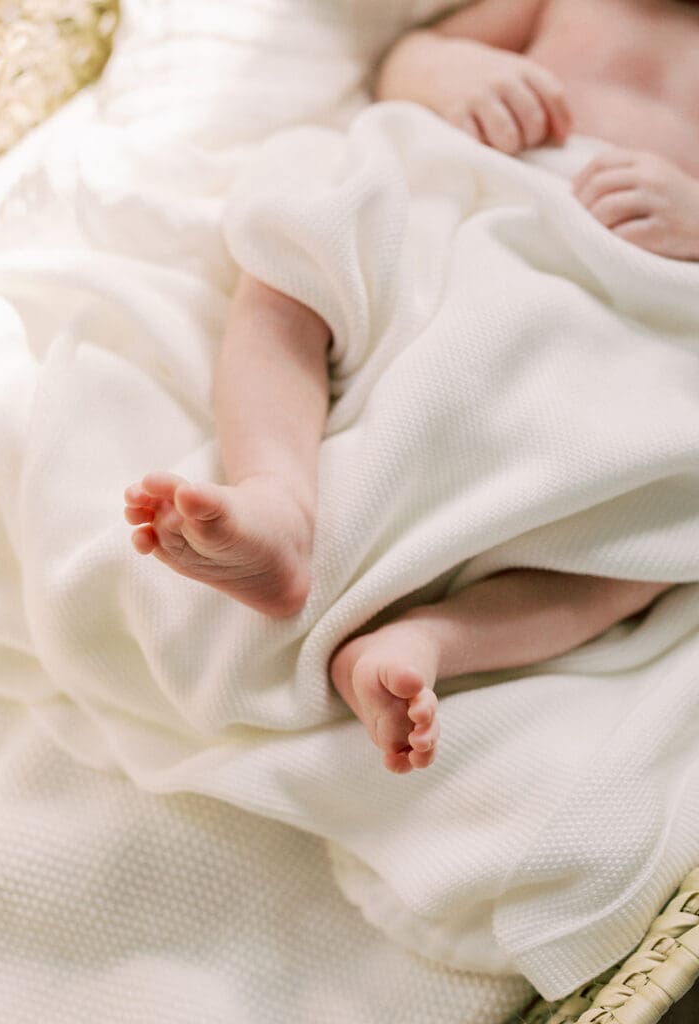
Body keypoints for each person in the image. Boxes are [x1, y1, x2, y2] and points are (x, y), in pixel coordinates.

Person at [123, 0, 696, 773]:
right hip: (482, 206)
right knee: (302, 251)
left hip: (637, 302)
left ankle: (432, 640)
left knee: (659, 525)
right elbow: (411, 56)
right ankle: (275, 494)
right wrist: (452, 72)